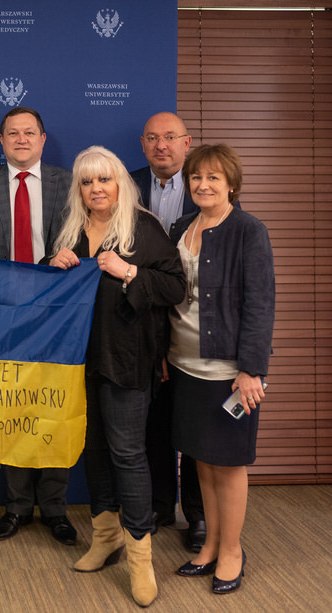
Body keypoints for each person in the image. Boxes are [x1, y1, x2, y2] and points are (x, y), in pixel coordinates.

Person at [46, 146, 185, 607]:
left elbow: (174, 287)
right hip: (78, 359)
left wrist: (129, 273)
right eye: (87, 182)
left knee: (128, 453)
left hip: (127, 359)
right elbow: (54, 295)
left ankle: (140, 558)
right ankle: (105, 537)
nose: (96, 189)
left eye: (104, 180)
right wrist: (55, 269)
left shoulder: (142, 227)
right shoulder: (68, 227)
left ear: (120, 183)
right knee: (96, 450)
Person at [0, 107, 76, 545]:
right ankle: (17, 507)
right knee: (11, 411)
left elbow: (83, 242)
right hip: (2, 317)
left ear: (43, 139)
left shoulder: (69, 183)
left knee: (54, 409)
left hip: (58, 315)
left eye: (30, 133)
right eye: (13, 133)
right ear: (2, 140)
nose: (22, 139)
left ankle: (56, 509)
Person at [169, 144, 274, 594]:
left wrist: (251, 369)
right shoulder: (181, 227)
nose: (203, 185)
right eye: (196, 177)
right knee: (202, 462)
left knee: (228, 463)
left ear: (231, 183)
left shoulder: (248, 230)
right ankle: (210, 544)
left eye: (213, 178)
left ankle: (232, 550)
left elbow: (260, 304)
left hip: (229, 371)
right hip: (183, 363)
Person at [130, 111, 206, 551]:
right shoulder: (127, 184)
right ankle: (160, 505)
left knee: (193, 425)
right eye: (153, 138)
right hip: (143, 321)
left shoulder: (206, 185)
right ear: (143, 144)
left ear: (187, 142)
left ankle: (196, 515)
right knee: (153, 422)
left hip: (194, 323)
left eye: (171, 137)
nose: (162, 145)